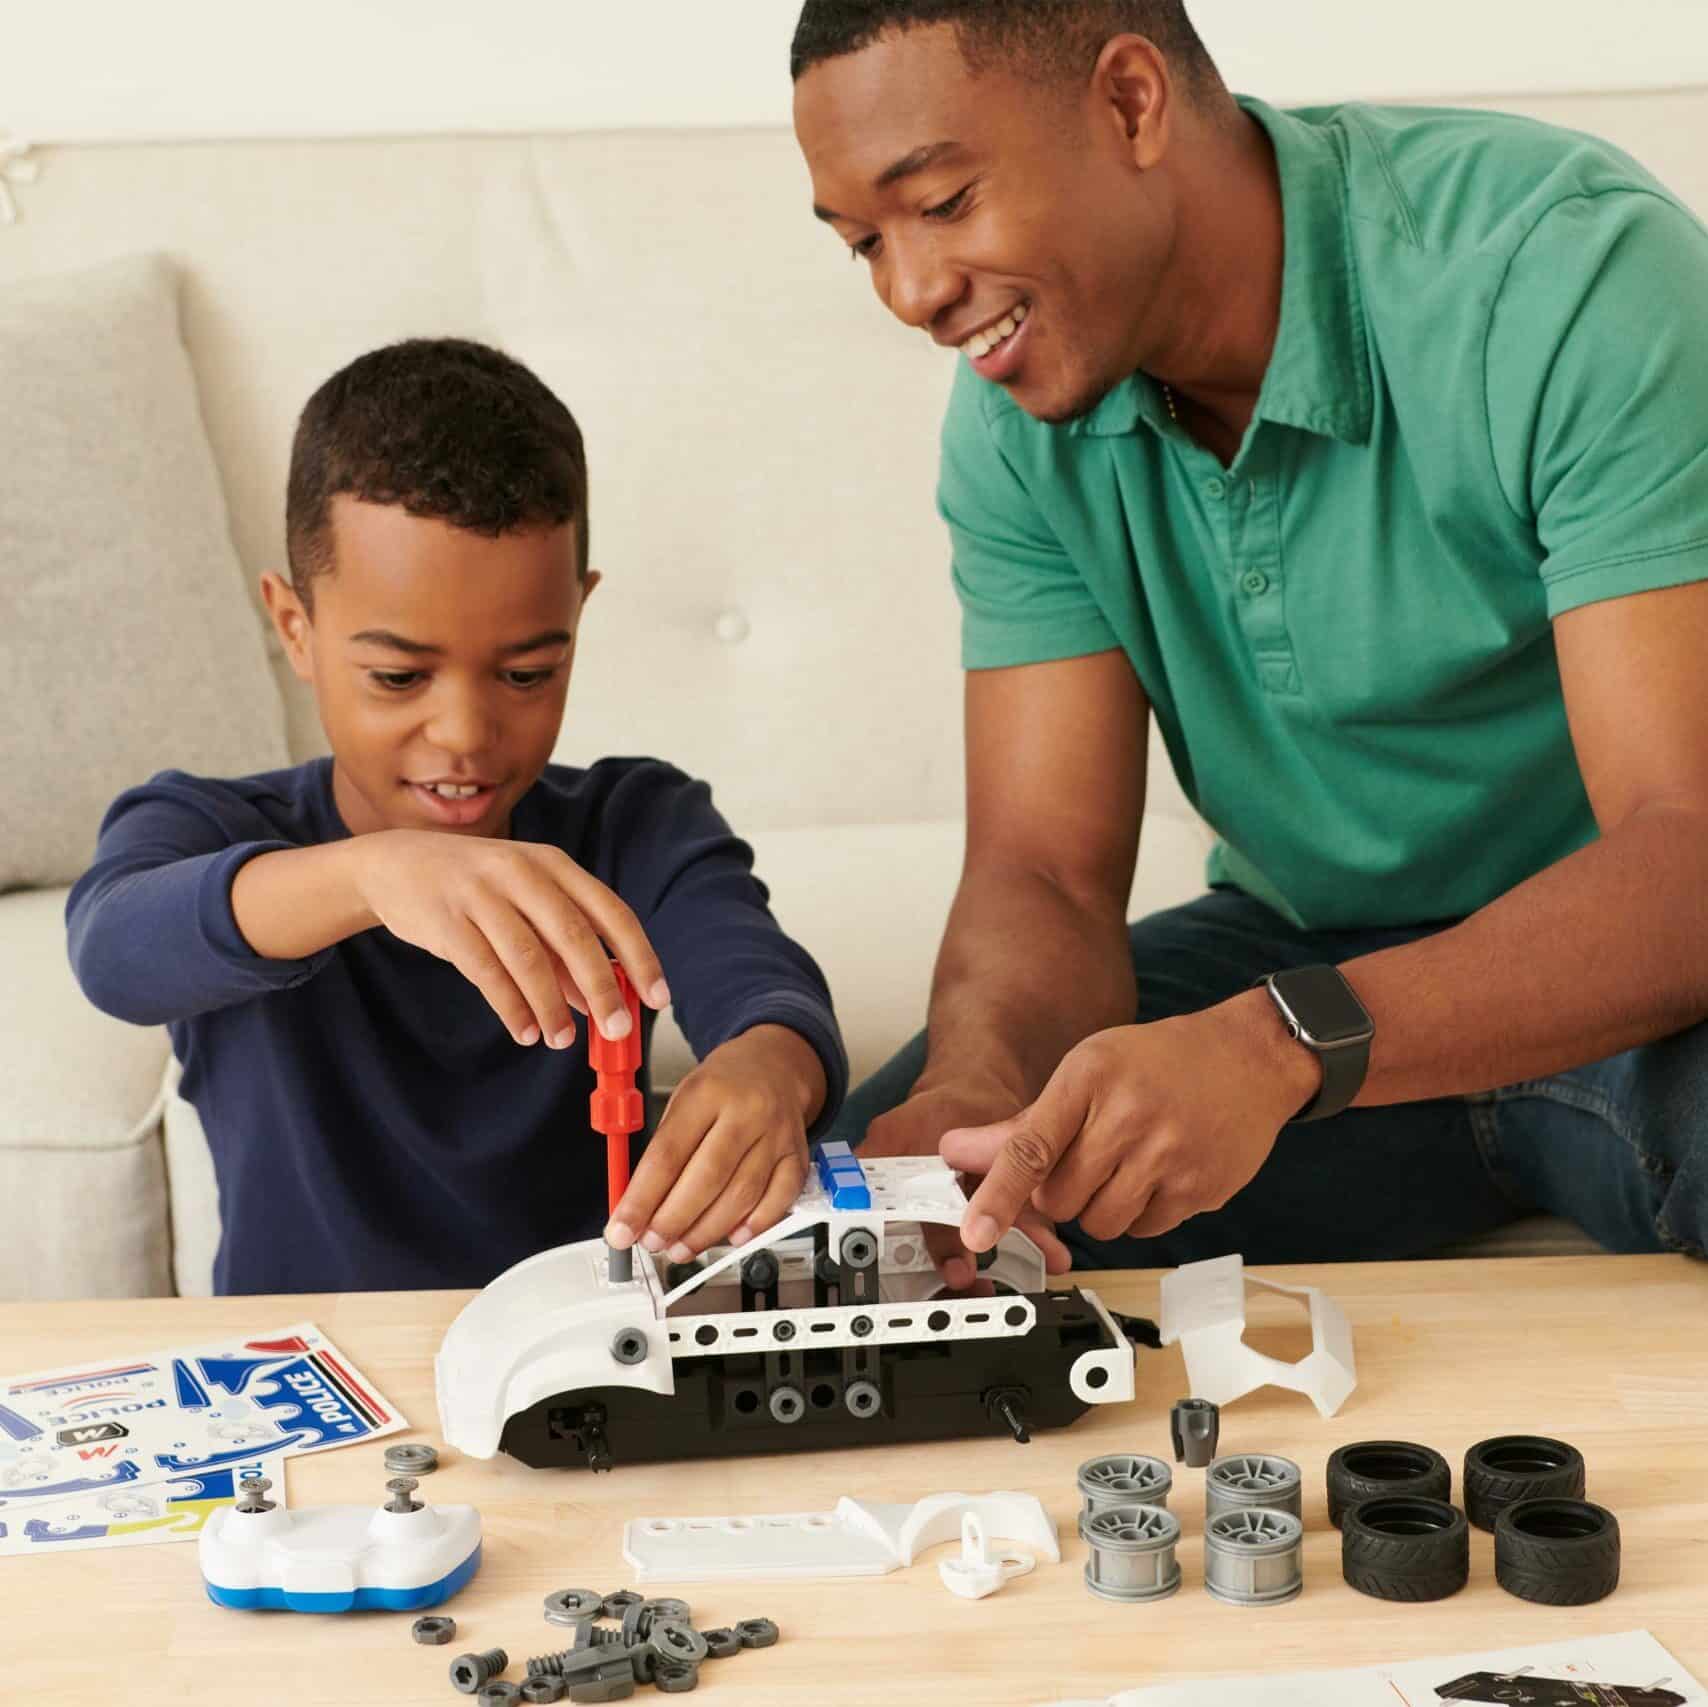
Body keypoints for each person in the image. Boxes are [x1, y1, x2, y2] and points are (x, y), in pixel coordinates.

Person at [791, 0, 1708, 1285]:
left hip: (1629, 969)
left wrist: (1285, 1044)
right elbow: (1044, 870)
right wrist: (979, 1084)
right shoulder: (1017, 416)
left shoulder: (1564, 275)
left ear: (1129, 102)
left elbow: (1687, 863)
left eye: (941, 203)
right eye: (862, 247)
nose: (912, 292)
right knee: (865, 1224)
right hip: (1297, 953)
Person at [67, 338, 846, 1293]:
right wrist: (374, 875)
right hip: (309, 1377)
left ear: (577, 615)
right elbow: (113, 949)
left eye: (527, 673)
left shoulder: (636, 821)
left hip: (580, 1358)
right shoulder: (210, 827)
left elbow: (763, 987)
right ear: (295, 628)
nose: (465, 734)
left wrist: (773, 1066)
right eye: (398, 676)